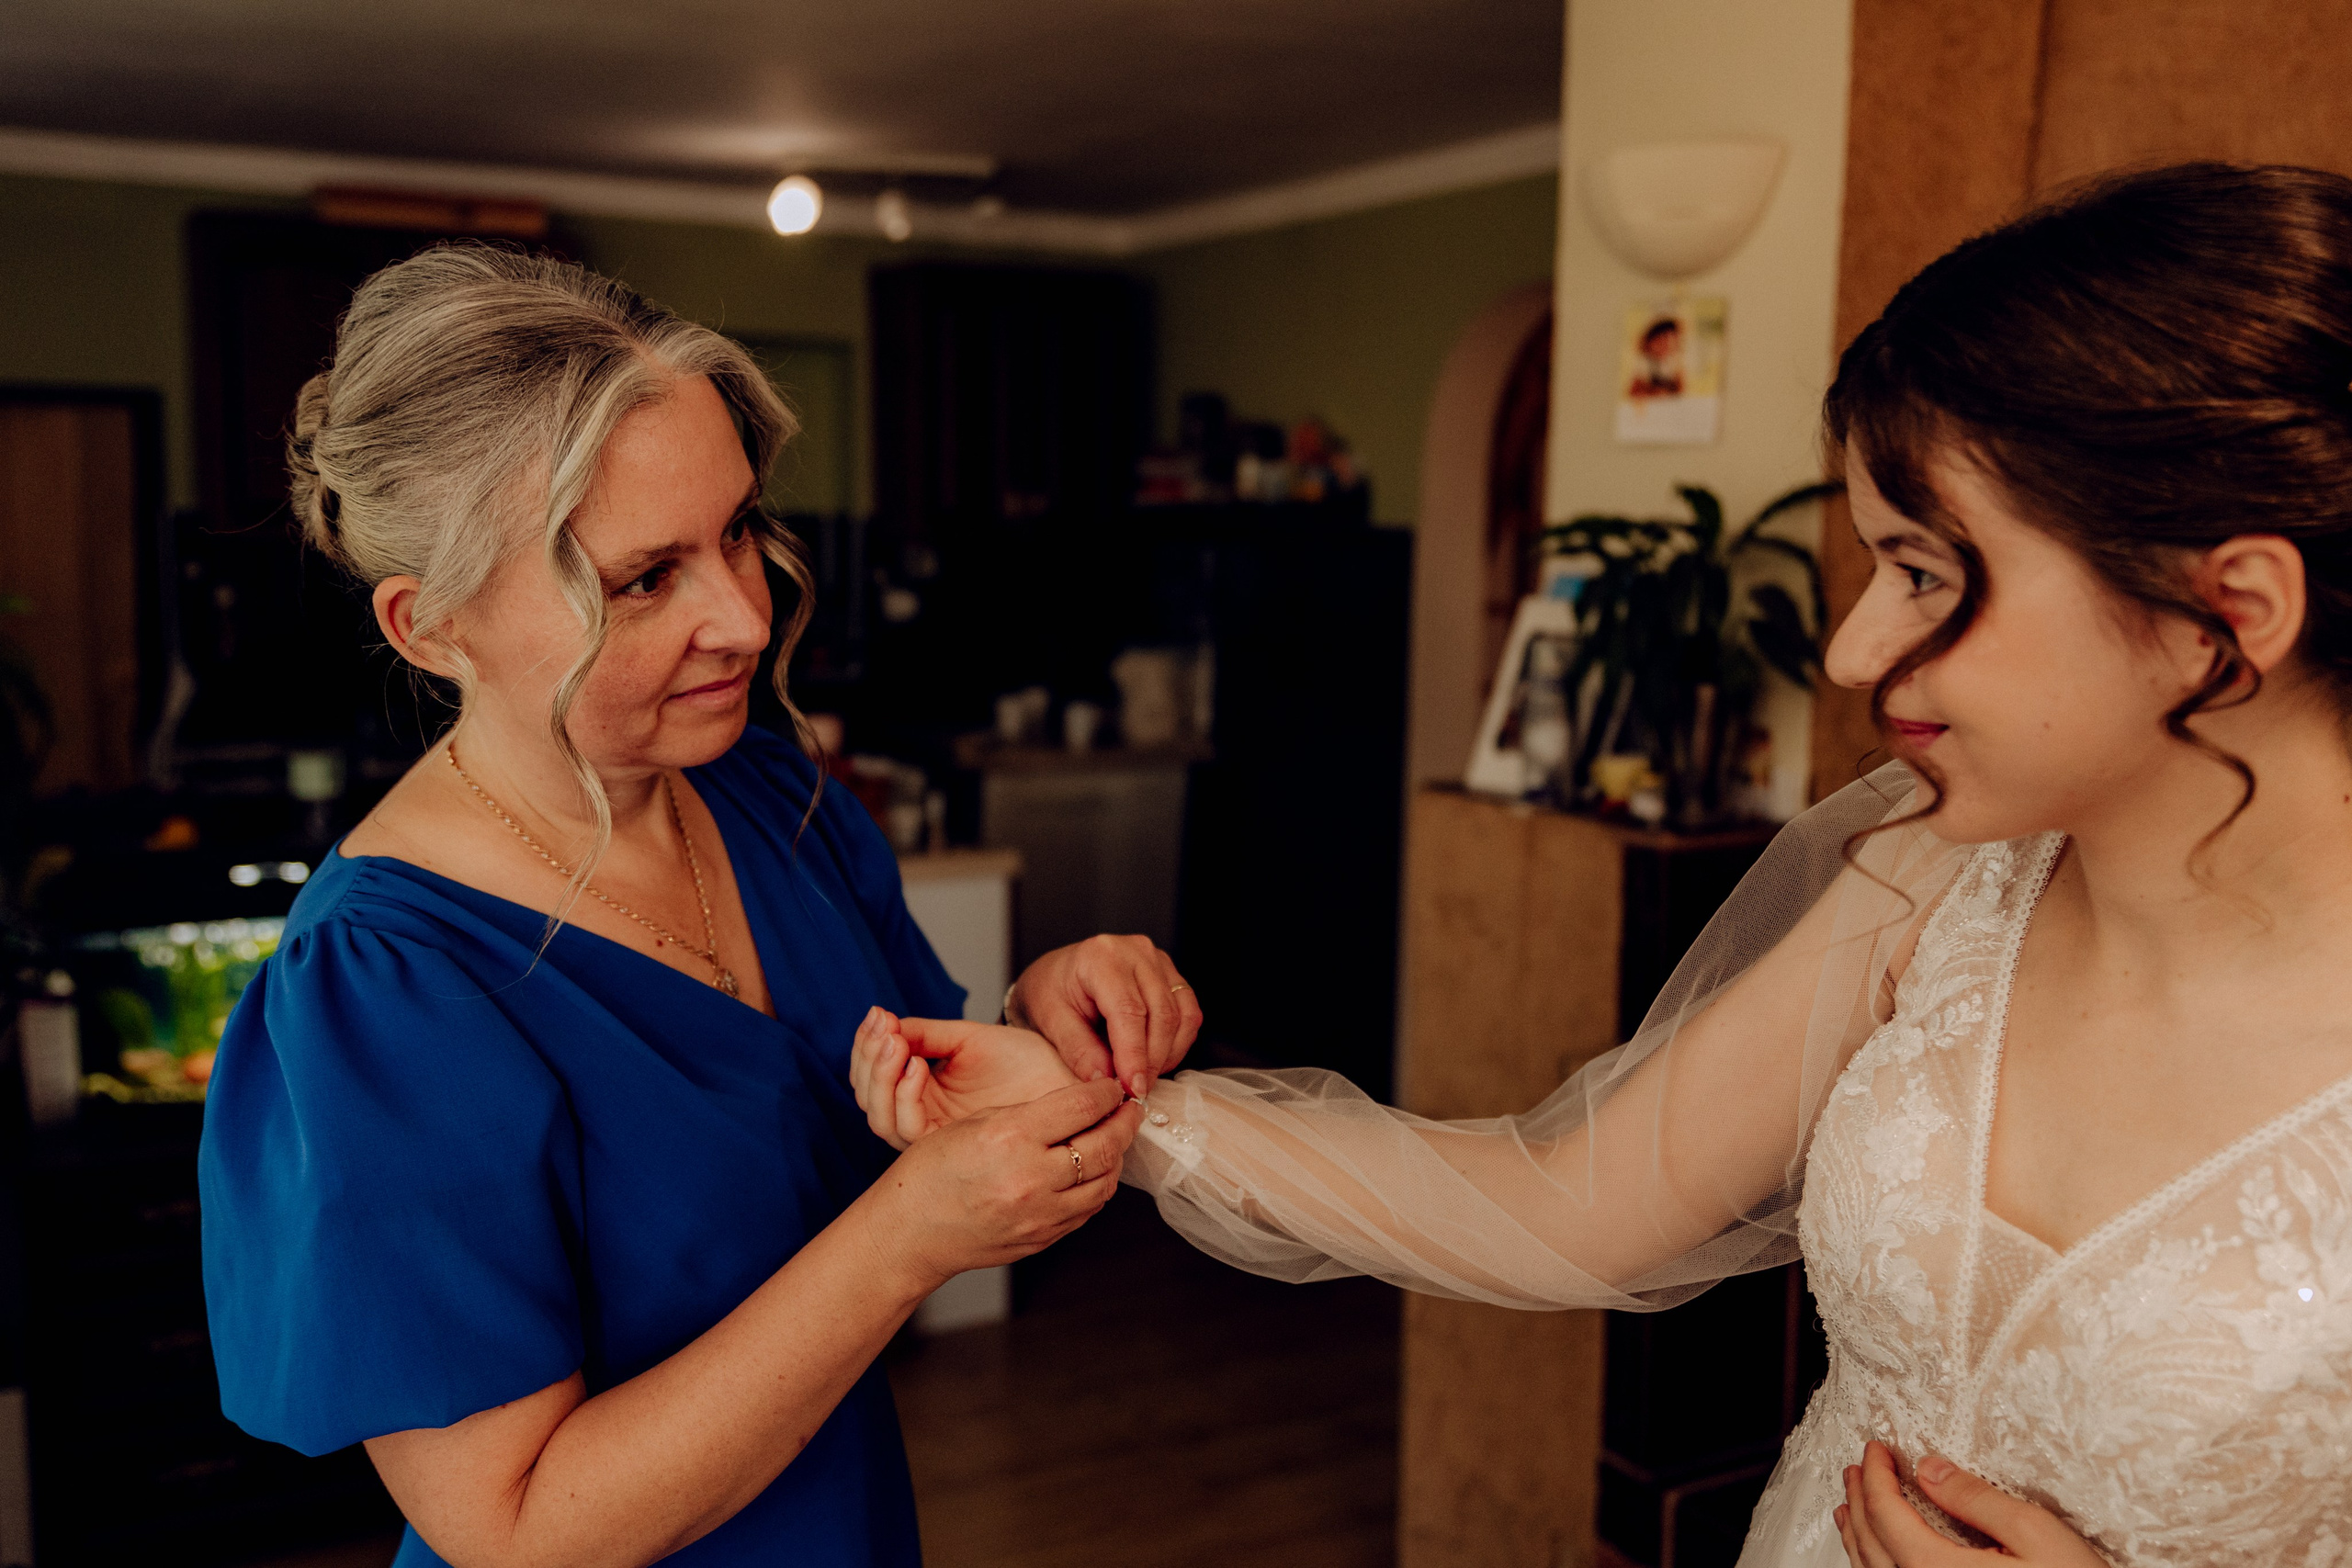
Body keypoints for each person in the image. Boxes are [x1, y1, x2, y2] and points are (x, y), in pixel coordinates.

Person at [850, 163, 2352, 1568]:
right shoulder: (1936, 880)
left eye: (1927, 576)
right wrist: (1129, 1121)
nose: (1851, 650)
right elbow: (1569, 1203)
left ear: (2229, 613)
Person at [198, 243, 1201, 1568]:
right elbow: (511, 1529)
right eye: (643, 579)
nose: (742, 615)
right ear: (432, 625)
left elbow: (902, 1098)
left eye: (737, 530)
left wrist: (1039, 1019)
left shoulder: (764, 790)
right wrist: (907, 1241)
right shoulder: (385, 987)